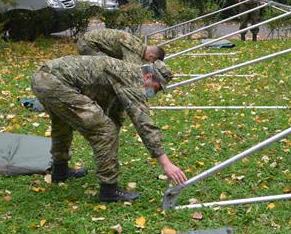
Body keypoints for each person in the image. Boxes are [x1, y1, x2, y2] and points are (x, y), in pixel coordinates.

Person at [31, 56, 186, 202]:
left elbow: (115, 111)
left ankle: (60, 171)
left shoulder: (126, 73)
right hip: (54, 82)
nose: (155, 93)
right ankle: (109, 190)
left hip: (43, 78)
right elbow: (144, 123)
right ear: (148, 77)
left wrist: (110, 145)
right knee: (105, 130)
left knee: (62, 124)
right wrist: (166, 163)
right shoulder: (133, 79)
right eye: (157, 88)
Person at [77, 27, 165, 64]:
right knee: (105, 68)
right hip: (88, 44)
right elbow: (129, 70)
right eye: (151, 61)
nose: (148, 62)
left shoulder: (138, 43)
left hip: (89, 40)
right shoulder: (135, 50)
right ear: (151, 56)